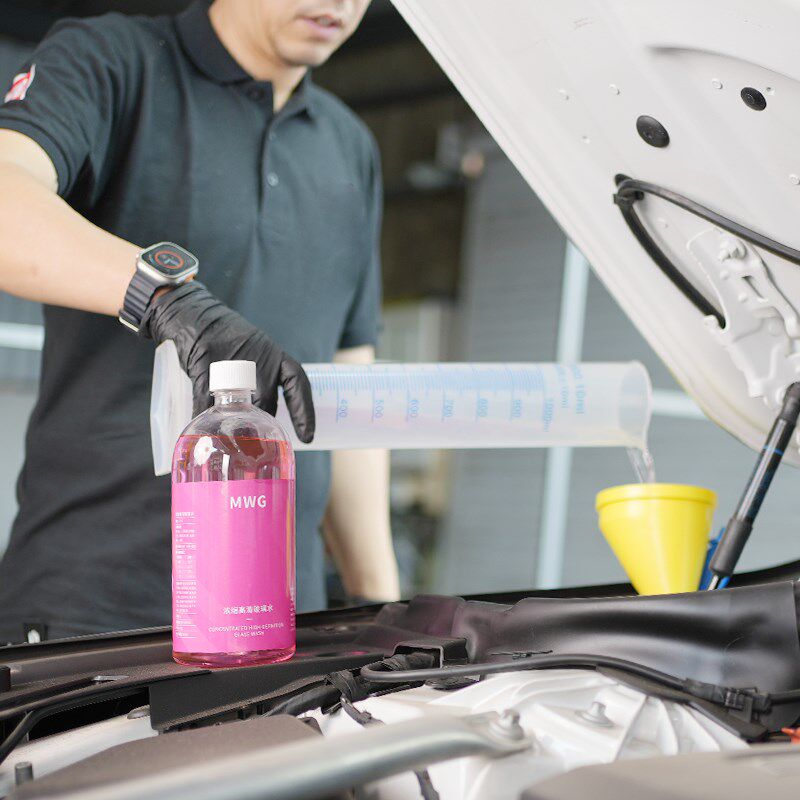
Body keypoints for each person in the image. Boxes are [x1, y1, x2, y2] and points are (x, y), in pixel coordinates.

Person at [0, 0, 400, 643]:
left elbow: (345, 395)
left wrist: (380, 609)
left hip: (282, 618)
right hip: (93, 613)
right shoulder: (113, 62)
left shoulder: (350, 148)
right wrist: (168, 300)